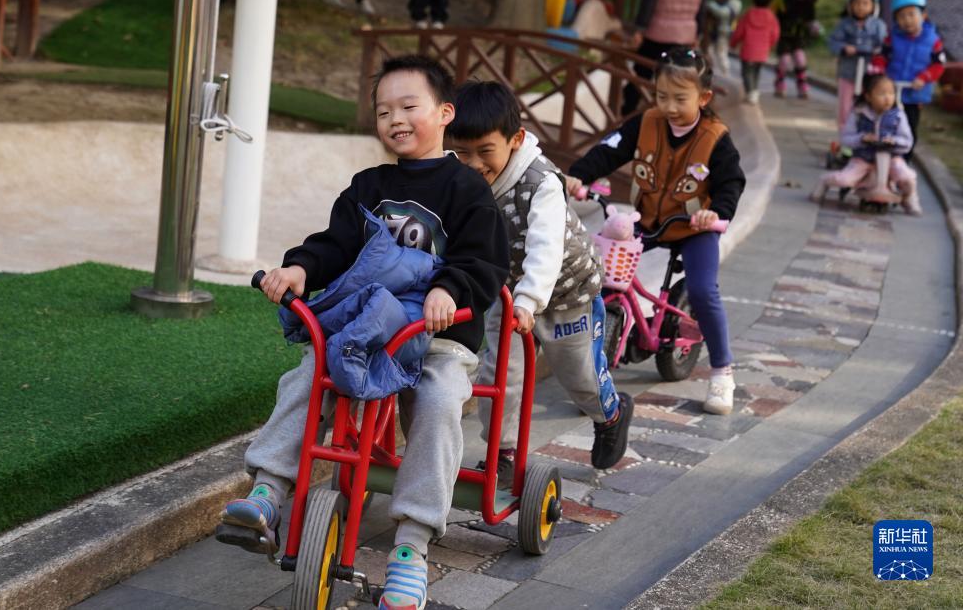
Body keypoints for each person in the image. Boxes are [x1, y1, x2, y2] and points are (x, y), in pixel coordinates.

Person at [216, 55, 509, 610]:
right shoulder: (369, 185)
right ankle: (268, 490)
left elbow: (485, 262)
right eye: (383, 111)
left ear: (444, 113)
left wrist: (450, 289)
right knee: (310, 373)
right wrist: (300, 268)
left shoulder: (467, 189)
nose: (395, 119)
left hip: (436, 338)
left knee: (440, 400)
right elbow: (335, 243)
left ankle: (412, 545)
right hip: (367, 331)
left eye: (409, 106)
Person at [445, 81, 634, 485]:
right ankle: (503, 451)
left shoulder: (541, 182)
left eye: (484, 151)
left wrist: (529, 300)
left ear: (515, 140)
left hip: (566, 292)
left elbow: (545, 249)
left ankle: (611, 413)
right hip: (509, 294)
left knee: (578, 376)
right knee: (499, 374)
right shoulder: (460, 173)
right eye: (462, 152)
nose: (473, 163)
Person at [565, 49, 745, 415]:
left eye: (680, 99)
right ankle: (590, 368)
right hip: (647, 219)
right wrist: (578, 176)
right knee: (598, 273)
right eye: (662, 96)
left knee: (702, 289)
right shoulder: (645, 123)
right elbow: (608, 151)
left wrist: (715, 213)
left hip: (693, 227)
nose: (669, 106)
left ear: (704, 98)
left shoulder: (715, 138)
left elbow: (731, 183)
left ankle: (722, 372)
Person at [810, 73, 921, 215]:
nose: (887, 98)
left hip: (891, 158)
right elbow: (846, 138)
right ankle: (825, 181)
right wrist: (861, 138)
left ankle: (909, 198)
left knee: (907, 177)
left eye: (891, 93)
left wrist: (894, 141)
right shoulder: (859, 113)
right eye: (882, 94)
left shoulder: (898, 116)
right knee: (845, 180)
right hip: (863, 158)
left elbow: (907, 141)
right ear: (868, 96)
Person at [622, 0, 706, 115]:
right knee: (677, 83)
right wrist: (698, 35)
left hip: (656, 37)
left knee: (640, 75)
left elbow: (648, 4)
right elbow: (701, 10)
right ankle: (672, 120)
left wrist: (639, 30)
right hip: (684, 41)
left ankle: (627, 114)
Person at [872, 0, 946, 163]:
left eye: (912, 14)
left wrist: (924, 77)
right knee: (886, 124)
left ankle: (904, 161)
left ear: (923, 15)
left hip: (914, 94)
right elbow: (881, 56)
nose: (907, 20)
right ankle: (882, 158)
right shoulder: (892, 37)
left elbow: (938, 65)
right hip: (891, 92)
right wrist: (880, 71)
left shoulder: (933, 40)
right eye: (902, 16)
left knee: (909, 128)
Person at [828, 0, 888, 130]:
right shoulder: (844, 24)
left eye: (865, 3)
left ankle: (867, 131)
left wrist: (875, 51)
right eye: (857, 3)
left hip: (869, 73)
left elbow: (884, 44)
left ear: (873, 6)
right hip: (848, 72)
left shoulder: (878, 25)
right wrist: (844, 47)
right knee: (845, 105)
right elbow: (833, 41)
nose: (861, 7)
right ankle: (845, 134)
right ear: (850, 5)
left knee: (868, 104)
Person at [729, 0, 779, 105]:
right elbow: (775, 33)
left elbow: (739, 31)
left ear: (754, 0)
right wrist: (770, 45)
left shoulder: (748, 14)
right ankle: (754, 91)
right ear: (769, 1)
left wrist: (733, 43)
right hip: (762, 51)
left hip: (748, 50)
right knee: (756, 71)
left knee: (746, 72)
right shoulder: (771, 16)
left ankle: (751, 92)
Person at [773, 0, 819, 99]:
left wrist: (813, 28)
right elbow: (776, 19)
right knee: (785, 60)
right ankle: (780, 82)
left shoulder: (808, 3)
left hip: (798, 37)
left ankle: (802, 84)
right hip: (784, 36)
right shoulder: (783, 2)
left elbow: (811, 20)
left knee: (800, 59)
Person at [705, 0, 742, 76]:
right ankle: (710, 71)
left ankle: (725, 73)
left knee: (721, 54)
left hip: (723, 34)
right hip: (713, 32)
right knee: (709, 51)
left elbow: (721, 13)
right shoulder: (717, 4)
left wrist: (709, 4)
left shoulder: (728, 6)